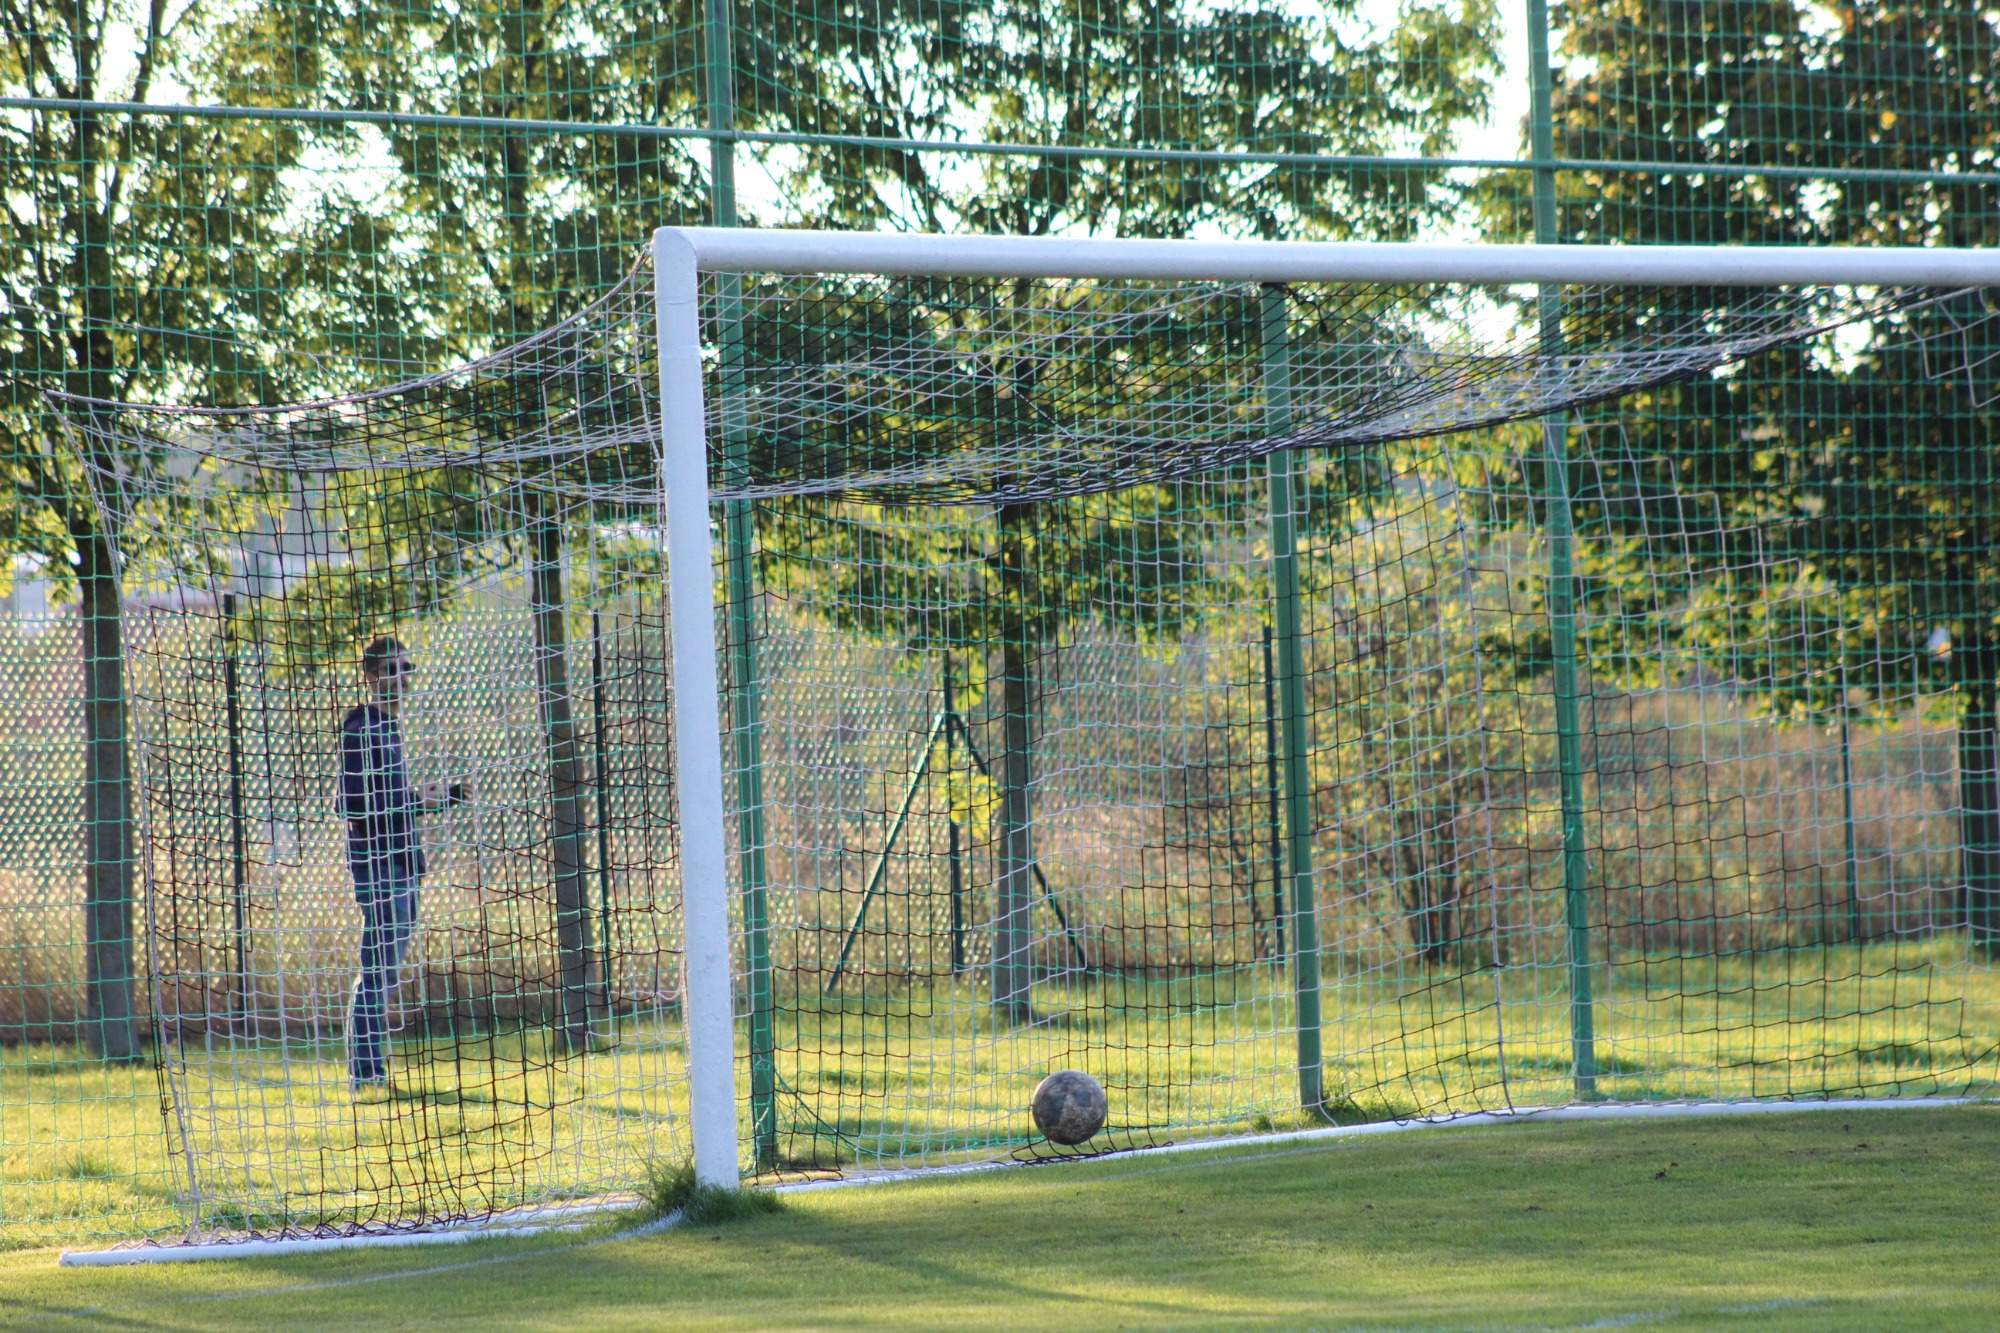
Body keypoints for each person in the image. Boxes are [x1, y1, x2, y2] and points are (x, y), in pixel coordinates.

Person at [340, 636, 464, 1091]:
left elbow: (395, 801)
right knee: (377, 970)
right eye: (392, 668)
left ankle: (369, 1069)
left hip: (403, 863)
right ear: (371, 677)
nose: (402, 676)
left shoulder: (389, 728)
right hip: (380, 865)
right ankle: (366, 1074)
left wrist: (432, 799)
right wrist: (416, 800)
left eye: (406, 666)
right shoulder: (361, 726)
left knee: (383, 971)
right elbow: (353, 803)